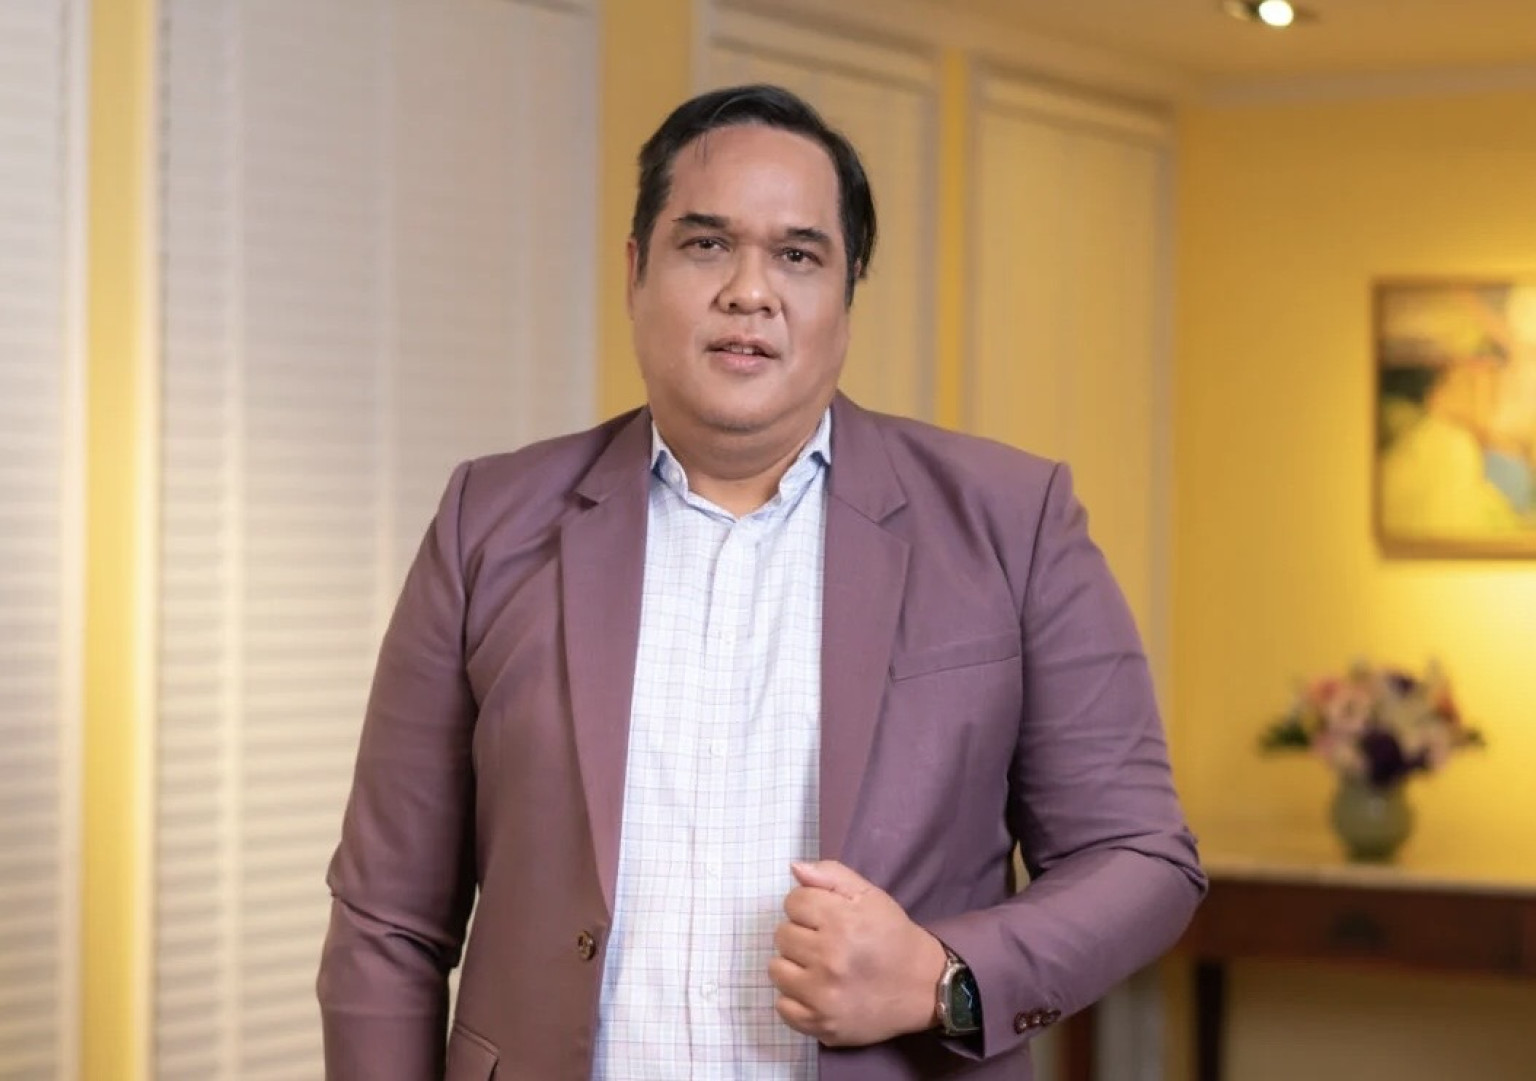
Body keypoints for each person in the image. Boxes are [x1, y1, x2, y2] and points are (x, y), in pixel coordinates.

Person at [317, 83, 1205, 1081]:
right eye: (706, 244)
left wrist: (944, 978)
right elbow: (387, 919)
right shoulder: (489, 521)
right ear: (636, 272)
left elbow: (1140, 857)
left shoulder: (1010, 522)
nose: (750, 291)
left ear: (847, 291)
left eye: (798, 255)